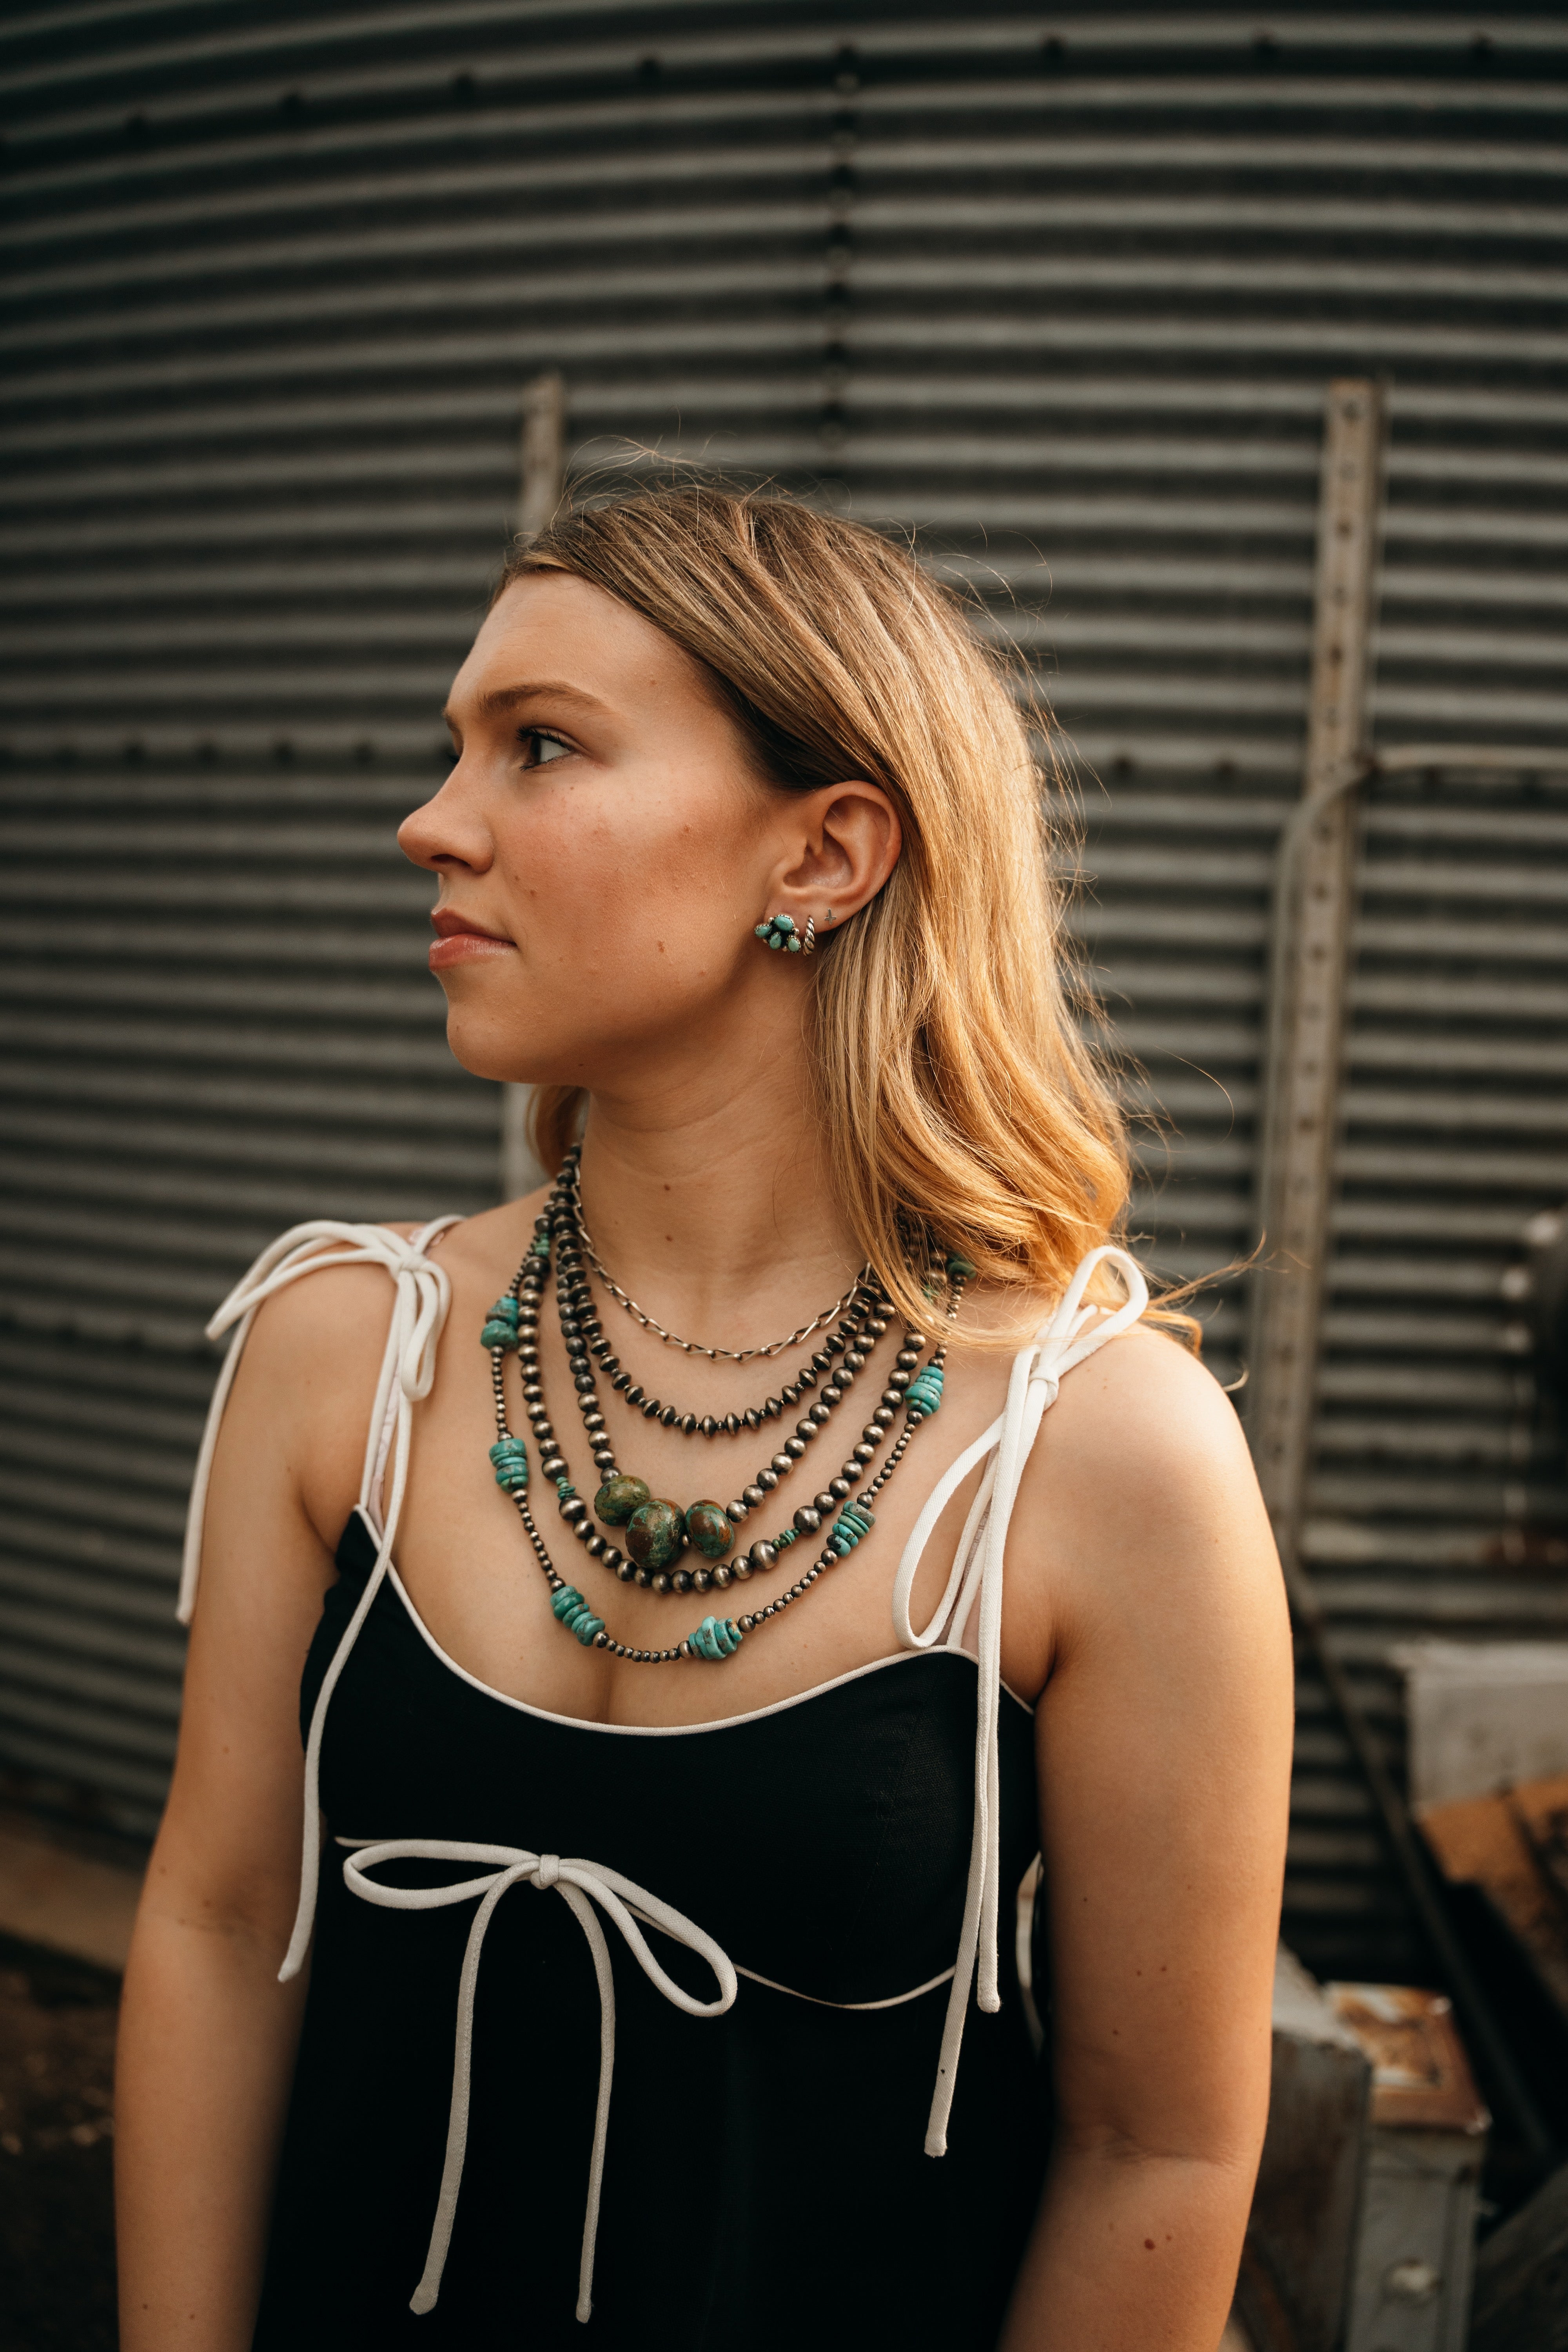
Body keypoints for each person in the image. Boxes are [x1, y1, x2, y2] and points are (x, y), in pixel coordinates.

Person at [114, 486, 1292, 2351]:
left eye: (539, 745)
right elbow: (220, 1922)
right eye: (456, 746)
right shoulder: (348, 1346)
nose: (432, 822)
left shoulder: (1098, 1455)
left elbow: (1155, 2147)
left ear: (821, 856)